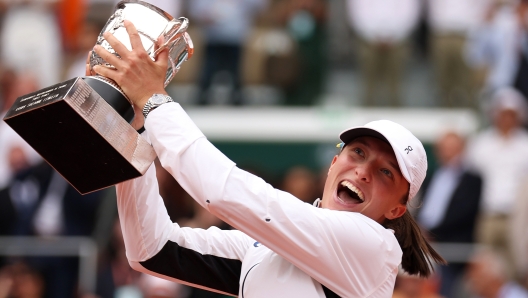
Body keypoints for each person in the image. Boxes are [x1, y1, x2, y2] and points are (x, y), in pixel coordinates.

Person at [90, 20, 444, 296]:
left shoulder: (372, 244)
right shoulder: (270, 245)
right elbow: (151, 250)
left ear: (398, 209)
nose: (363, 171)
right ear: (334, 162)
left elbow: (225, 192)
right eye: (358, 152)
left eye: (385, 172)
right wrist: (132, 134)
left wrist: (153, 100)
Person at [416, 131, 482, 297]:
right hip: (422, 244)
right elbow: (421, 206)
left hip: (452, 249)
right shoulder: (430, 177)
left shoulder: (473, 180)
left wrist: (430, 231)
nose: (448, 153)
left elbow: (465, 213)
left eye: (452, 148)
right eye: (444, 149)